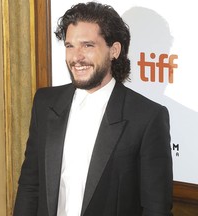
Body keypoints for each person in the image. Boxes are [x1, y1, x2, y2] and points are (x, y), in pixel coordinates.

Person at [13, 2, 173, 216]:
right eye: (69, 46)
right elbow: (30, 186)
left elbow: (156, 208)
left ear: (114, 50)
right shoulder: (45, 103)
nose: (76, 57)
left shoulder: (147, 117)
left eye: (87, 45)